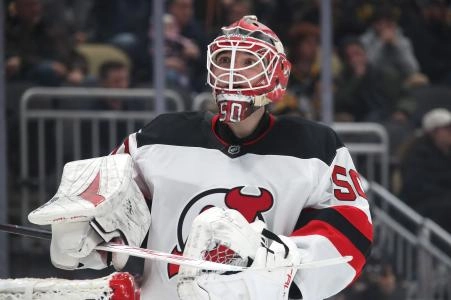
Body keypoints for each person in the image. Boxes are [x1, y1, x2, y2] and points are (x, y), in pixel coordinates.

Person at [28, 16, 373, 299]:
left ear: (277, 75)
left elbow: (350, 235)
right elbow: (112, 206)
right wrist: (96, 235)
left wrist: (285, 269)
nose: (233, 72)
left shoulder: (315, 147)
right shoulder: (159, 138)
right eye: (225, 60)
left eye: (249, 62)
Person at [400, 108, 451, 231]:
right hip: (423, 209)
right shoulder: (417, 154)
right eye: (447, 129)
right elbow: (415, 187)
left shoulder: (446, 153)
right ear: (433, 132)